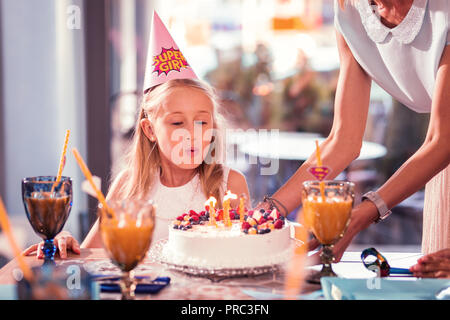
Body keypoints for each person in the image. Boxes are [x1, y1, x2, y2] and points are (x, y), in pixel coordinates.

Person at [23, 11, 250, 259]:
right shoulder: (127, 187)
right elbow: (90, 254)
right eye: (177, 122)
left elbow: (246, 258)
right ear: (150, 130)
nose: (192, 134)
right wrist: (65, 242)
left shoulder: (229, 185)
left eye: (202, 122)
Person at [258, 0, 450, 277]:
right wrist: (270, 211)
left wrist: (364, 212)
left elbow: (441, 141)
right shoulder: (350, 11)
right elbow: (343, 140)